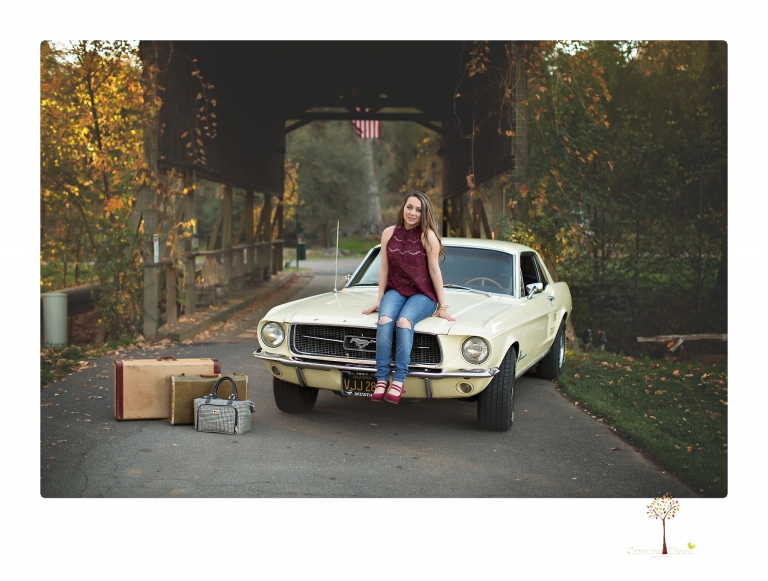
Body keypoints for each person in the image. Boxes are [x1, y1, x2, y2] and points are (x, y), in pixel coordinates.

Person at [362, 191, 455, 404]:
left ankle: (399, 380)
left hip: (423, 294)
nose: (412, 213)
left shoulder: (428, 236)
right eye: (409, 207)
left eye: (418, 210)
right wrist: (380, 299)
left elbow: (434, 271)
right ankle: (381, 378)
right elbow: (384, 269)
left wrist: (442, 306)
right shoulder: (388, 233)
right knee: (384, 320)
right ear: (403, 207)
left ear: (424, 214)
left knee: (404, 322)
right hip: (396, 291)